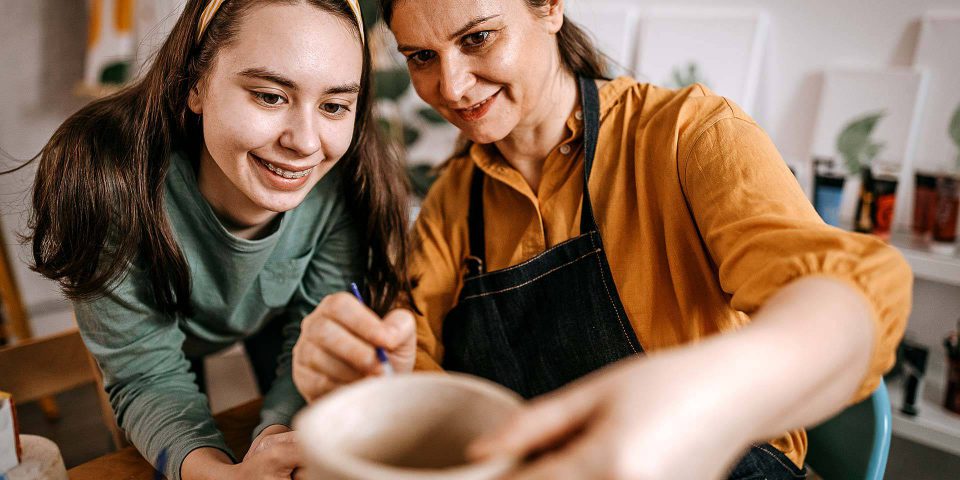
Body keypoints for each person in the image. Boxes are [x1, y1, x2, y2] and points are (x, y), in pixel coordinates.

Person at [291, 0, 912, 478]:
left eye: (477, 37)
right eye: (421, 57)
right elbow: (415, 374)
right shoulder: (452, 204)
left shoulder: (686, 135)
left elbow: (847, 293)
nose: (450, 87)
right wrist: (373, 375)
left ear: (551, 8)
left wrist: (713, 396)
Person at [15, 0, 411, 478]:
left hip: (278, 317)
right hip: (160, 338)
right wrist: (218, 472)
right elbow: (146, 376)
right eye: (269, 96)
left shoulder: (347, 186)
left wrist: (274, 446)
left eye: (333, 105)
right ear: (195, 83)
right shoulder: (106, 184)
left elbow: (312, 341)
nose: (306, 142)